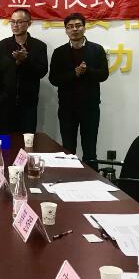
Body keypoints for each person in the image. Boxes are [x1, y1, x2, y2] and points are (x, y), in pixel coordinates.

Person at [48, 13, 109, 168]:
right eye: (70, 27)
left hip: (90, 107)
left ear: (84, 28)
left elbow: (103, 75)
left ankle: (92, 180)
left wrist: (87, 71)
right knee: (68, 149)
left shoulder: (97, 49)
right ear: (66, 31)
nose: (74, 29)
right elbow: (53, 79)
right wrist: (74, 74)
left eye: (78, 26)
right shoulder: (59, 52)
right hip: (67, 108)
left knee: (90, 149)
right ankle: (69, 179)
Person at [0, 8, 48, 133]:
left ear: (29, 23)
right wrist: (17, 63)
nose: (15, 25)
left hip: (28, 102)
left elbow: (42, 72)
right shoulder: (2, 45)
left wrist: (26, 60)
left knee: (27, 138)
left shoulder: (39, 46)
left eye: (19, 22)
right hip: (6, 102)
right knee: (7, 139)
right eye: (12, 22)